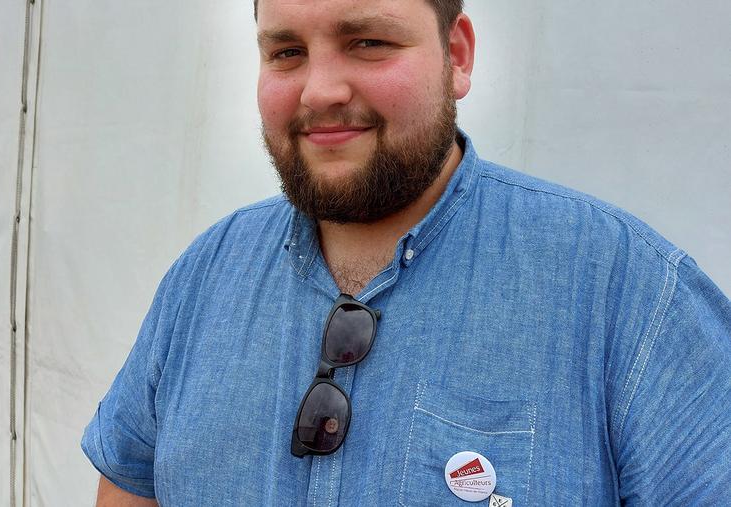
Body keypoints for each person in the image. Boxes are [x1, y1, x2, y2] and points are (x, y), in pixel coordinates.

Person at [82, 0, 731, 505]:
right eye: (286, 51)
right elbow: (129, 482)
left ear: (457, 55)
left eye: (367, 42)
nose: (320, 90)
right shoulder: (206, 275)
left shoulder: (631, 294)